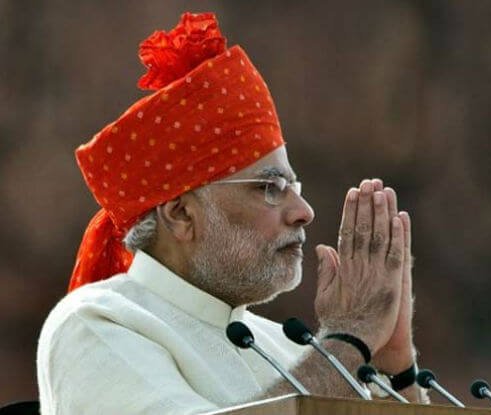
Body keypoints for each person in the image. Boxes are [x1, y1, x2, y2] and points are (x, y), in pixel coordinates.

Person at [37, 12, 423, 414]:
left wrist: (394, 367)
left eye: (293, 187)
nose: (303, 211)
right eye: (269, 188)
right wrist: (349, 340)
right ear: (181, 214)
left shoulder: (288, 348)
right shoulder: (96, 325)